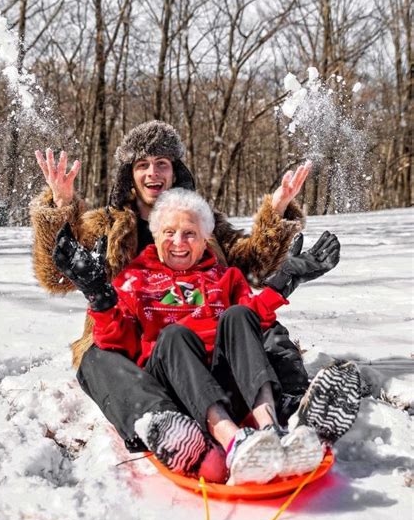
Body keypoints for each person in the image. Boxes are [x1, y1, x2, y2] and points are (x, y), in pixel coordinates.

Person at [30, 121, 311, 447]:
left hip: (206, 333)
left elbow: (249, 266)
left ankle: (295, 404)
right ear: (130, 175)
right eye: (143, 165)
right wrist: (60, 206)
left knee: (263, 326)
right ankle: (161, 426)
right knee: (95, 359)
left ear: (175, 171)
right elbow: (57, 274)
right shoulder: (106, 224)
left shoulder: (200, 218)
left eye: (162, 163)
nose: (153, 173)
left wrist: (276, 212)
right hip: (127, 336)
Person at [52, 188, 360, 485]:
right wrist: (99, 297)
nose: (178, 242)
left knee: (240, 315)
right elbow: (117, 343)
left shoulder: (225, 278)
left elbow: (255, 325)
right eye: (169, 232)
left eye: (189, 234)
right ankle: (233, 439)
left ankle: (271, 428)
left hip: (226, 384)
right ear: (157, 235)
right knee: (174, 335)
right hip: (173, 387)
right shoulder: (134, 279)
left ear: (204, 240)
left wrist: (284, 281)